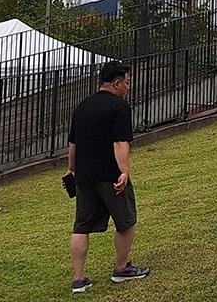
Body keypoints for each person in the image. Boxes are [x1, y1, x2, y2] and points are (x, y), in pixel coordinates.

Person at [67, 61, 150, 293]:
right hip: (110, 175)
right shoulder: (119, 107)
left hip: (84, 175)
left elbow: (73, 143)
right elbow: (120, 141)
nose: (128, 87)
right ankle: (121, 268)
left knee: (81, 226)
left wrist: (71, 169)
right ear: (117, 83)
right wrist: (124, 171)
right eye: (127, 82)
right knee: (126, 220)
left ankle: (79, 279)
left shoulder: (82, 106)